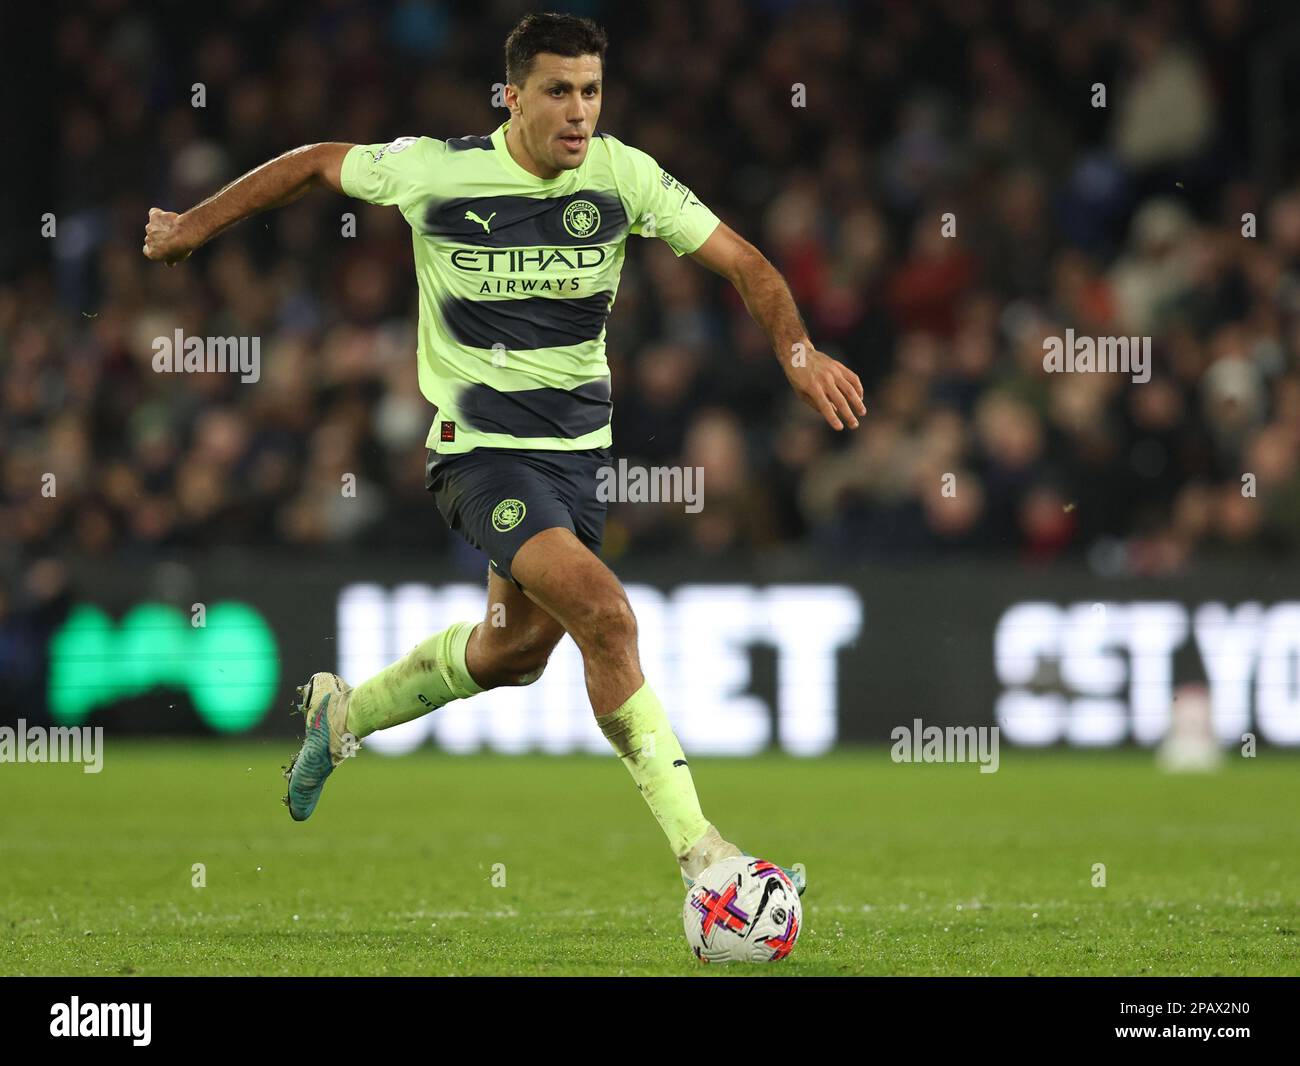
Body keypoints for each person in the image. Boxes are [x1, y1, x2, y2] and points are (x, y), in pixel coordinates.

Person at [142, 11, 864, 894]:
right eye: (558, 91)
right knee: (608, 615)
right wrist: (192, 227)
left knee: (512, 654)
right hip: (481, 456)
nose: (578, 113)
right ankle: (707, 859)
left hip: (575, 461)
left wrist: (798, 352)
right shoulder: (436, 170)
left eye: (591, 92)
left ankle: (345, 713)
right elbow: (317, 161)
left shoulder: (623, 176)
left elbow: (748, 264)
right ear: (512, 97)